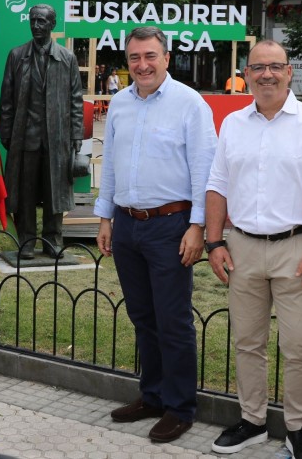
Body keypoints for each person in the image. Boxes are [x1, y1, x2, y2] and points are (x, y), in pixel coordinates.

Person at [205, 40, 302, 458]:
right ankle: (253, 421)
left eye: (274, 66)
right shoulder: (233, 124)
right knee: (247, 341)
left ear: (288, 73)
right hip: (242, 246)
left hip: (295, 248)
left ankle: (298, 429)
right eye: (258, 67)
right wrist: (213, 242)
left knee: (298, 344)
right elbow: (217, 185)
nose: (266, 74)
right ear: (246, 73)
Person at [95, 26, 216, 443]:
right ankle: (153, 395)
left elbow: (205, 169)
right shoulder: (121, 105)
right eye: (134, 58)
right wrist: (106, 217)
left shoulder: (190, 104)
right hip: (127, 224)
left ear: (166, 57)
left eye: (150, 56)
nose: (142, 65)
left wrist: (198, 226)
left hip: (171, 226)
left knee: (173, 320)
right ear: (126, 62)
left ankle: (180, 407)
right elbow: (110, 163)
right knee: (142, 317)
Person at [0, 3, 84, 260]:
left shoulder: (66, 58)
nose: (36, 26)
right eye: (33, 20)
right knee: (24, 193)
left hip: (56, 139)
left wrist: (76, 135)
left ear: (52, 25)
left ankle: (52, 240)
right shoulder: (16, 55)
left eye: (42, 22)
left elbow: (75, 100)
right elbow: (7, 100)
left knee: (53, 193)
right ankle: (25, 241)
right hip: (25, 138)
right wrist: (7, 133)